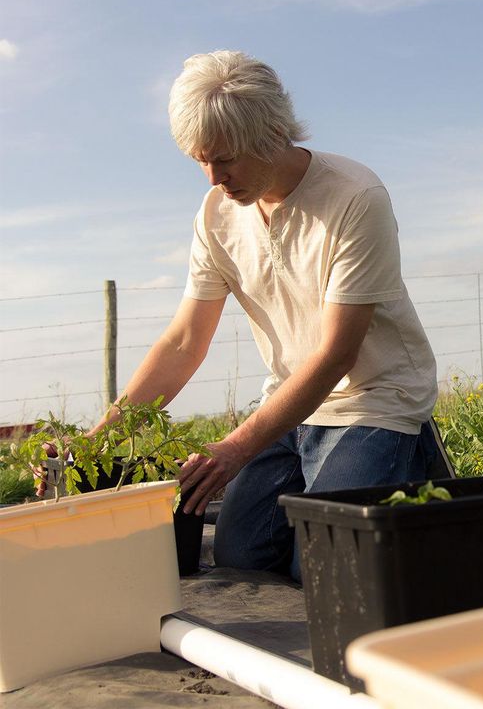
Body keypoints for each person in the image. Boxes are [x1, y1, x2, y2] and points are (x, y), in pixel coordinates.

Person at [70, 50, 438, 580]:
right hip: (288, 407)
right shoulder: (217, 214)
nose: (214, 178)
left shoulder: (354, 198)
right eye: (201, 159)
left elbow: (337, 353)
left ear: (272, 134)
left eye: (227, 159)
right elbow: (183, 343)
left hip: (372, 403)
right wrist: (95, 443)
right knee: (240, 558)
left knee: (324, 566)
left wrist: (235, 447)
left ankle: (416, 477)